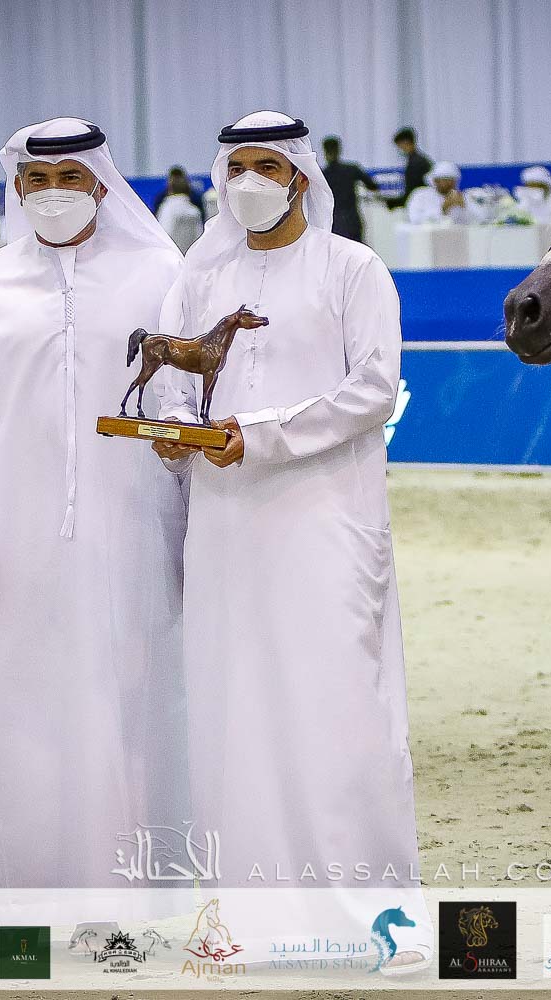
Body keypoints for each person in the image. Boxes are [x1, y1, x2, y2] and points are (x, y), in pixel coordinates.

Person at [150, 109, 431, 972]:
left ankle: (378, 923)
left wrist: (261, 434)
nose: (249, 182)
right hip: (226, 528)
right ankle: (252, 919)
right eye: (235, 167)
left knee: (340, 709)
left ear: (301, 176)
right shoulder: (201, 278)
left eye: (266, 166)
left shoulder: (354, 269)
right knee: (234, 712)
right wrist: (174, 428)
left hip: (326, 524)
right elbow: (171, 377)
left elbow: (374, 389)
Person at [0, 119, 189, 918]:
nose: (54, 194)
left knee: (133, 710)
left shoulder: (161, 274)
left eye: (71, 178)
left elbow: (192, 398)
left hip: (137, 538)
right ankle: (22, 907)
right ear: (17, 188)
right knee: (20, 719)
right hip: (13, 550)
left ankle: (139, 901)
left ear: (102, 184)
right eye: (38, 180)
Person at [320, 135, 380, 242]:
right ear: (339, 150)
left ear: (324, 152)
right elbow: (373, 186)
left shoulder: (322, 175)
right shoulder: (352, 169)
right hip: (353, 220)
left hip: (335, 222)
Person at [406, 160, 484, 224]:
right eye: (445, 179)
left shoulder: (462, 197)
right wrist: (442, 209)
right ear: (435, 181)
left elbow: (481, 221)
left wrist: (465, 205)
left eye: (452, 180)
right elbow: (415, 219)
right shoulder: (421, 195)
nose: (449, 183)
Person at [386, 126, 433, 209]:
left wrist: (390, 203)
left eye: (399, 146)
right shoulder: (421, 160)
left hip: (420, 204)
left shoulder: (416, 163)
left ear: (406, 142)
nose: (400, 149)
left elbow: (412, 192)